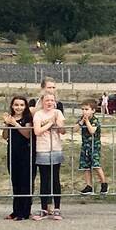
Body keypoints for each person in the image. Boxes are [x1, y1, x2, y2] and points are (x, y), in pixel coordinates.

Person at [32, 93, 66, 221]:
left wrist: (57, 122)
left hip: (56, 148)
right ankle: (44, 208)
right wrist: (49, 123)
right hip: (42, 149)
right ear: (42, 101)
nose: (49, 102)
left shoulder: (58, 112)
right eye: (47, 100)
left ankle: (57, 208)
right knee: (44, 180)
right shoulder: (38, 114)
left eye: (52, 100)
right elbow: (37, 131)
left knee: (55, 179)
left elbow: (62, 131)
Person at [2, 96, 35, 220]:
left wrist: (15, 124)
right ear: (12, 106)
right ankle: (15, 210)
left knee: (25, 183)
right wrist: (6, 123)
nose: (18, 107)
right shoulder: (10, 119)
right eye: (16, 105)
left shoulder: (27, 118)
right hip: (13, 152)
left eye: (21, 105)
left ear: (25, 106)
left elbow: (27, 134)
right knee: (15, 182)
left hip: (25, 153)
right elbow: (5, 136)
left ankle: (24, 212)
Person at [75, 98, 108, 195]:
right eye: (83, 109)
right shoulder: (81, 118)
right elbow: (75, 129)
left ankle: (104, 184)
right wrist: (81, 122)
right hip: (85, 146)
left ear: (93, 110)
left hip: (94, 146)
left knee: (96, 165)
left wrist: (87, 122)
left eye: (86, 109)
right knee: (86, 166)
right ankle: (89, 186)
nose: (84, 111)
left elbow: (92, 131)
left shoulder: (95, 120)